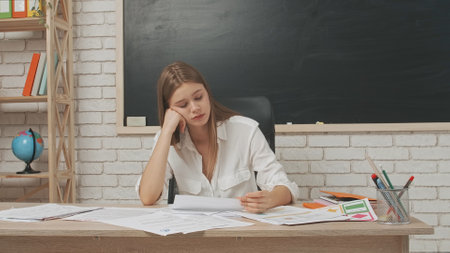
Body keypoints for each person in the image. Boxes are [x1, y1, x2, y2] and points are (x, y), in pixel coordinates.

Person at [136, 61, 299, 213]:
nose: (195, 108)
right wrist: (166, 133)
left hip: (242, 233)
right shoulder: (167, 141)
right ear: (169, 110)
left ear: (207, 93)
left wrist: (270, 199)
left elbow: (285, 187)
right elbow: (148, 198)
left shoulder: (246, 131)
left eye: (199, 97)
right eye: (182, 105)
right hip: (195, 234)